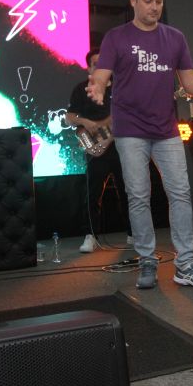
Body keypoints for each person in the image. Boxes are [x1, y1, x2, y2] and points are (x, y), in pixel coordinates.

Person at [86, 0, 193, 290]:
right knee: (139, 196)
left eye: (159, 1)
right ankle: (147, 261)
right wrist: (99, 86)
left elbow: (190, 82)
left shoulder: (174, 38)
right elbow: (102, 73)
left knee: (181, 193)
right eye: (148, 1)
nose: (154, 7)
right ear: (133, 1)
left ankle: (185, 265)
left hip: (166, 130)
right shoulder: (117, 37)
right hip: (130, 130)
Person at [66, 47, 132, 252]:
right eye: (96, 64)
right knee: (92, 193)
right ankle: (90, 235)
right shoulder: (81, 89)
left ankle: (133, 233)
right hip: (92, 144)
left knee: (128, 190)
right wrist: (86, 122)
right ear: (89, 68)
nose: (101, 67)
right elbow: (69, 117)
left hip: (121, 146)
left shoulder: (122, 87)